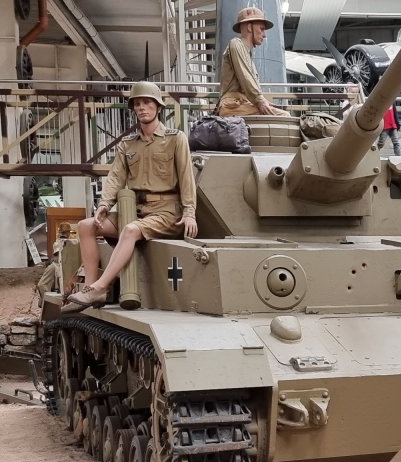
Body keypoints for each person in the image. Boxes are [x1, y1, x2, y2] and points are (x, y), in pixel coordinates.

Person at [65, 81, 197, 311]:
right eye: (137, 104)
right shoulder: (128, 144)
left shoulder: (176, 139)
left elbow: (187, 178)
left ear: (158, 106)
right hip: (135, 210)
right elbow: (115, 177)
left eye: (147, 102)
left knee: (130, 230)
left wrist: (189, 213)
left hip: (166, 213)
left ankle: (101, 287)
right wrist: (104, 205)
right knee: (86, 226)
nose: (141, 107)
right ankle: (90, 289)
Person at [218, 7, 290, 117]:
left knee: (280, 113)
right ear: (249, 27)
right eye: (261, 29)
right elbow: (245, 77)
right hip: (232, 106)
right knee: (284, 116)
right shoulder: (236, 44)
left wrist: (264, 101)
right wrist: (260, 101)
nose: (264, 35)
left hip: (242, 104)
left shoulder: (247, 53)